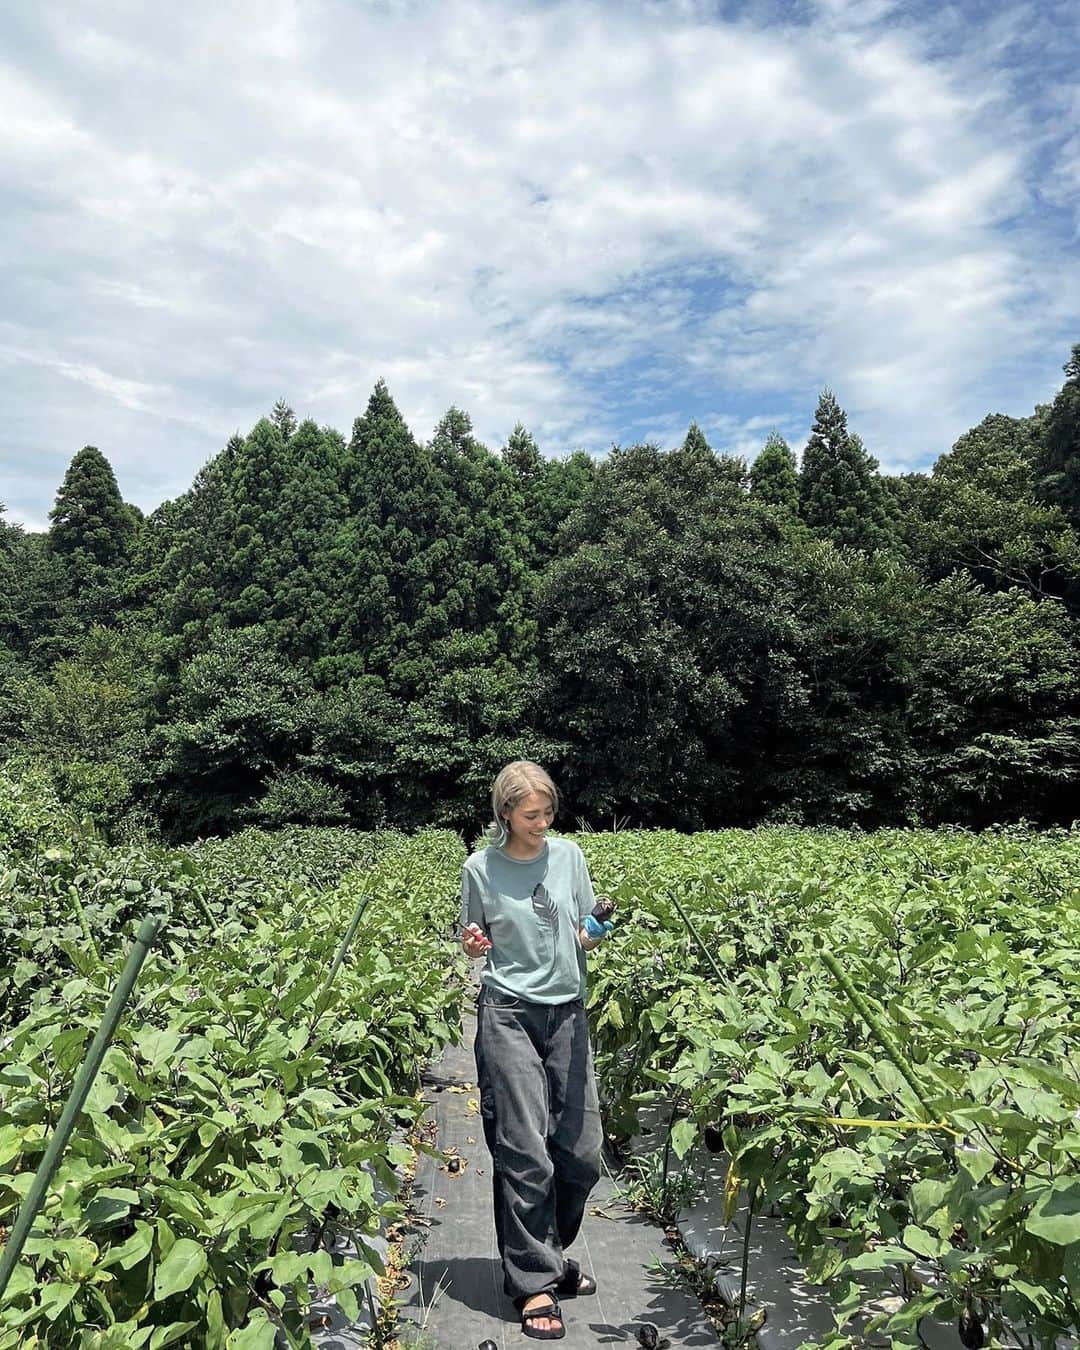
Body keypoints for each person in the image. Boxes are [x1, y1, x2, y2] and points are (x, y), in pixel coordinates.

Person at [460, 760, 615, 1341]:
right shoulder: (481, 867)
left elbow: (581, 933)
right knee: (525, 1149)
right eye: (531, 814)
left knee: (580, 1151)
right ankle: (535, 1284)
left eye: (548, 812)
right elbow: (473, 942)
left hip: (567, 1011)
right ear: (505, 813)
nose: (542, 823)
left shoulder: (569, 856)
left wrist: (596, 930)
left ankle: (545, 1253)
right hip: (508, 1013)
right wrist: (474, 943)